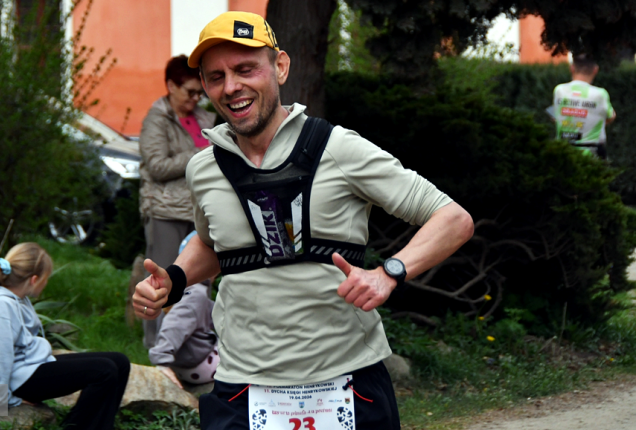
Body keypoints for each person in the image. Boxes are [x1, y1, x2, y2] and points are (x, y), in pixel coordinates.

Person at [132, 11, 474, 430]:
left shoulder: (338, 148)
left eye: (245, 69)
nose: (232, 86)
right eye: (216, 76)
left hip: (347, 381)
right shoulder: (204, 168)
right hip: (242, 388)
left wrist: (388, 274)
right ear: (205, 85)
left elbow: (453, 218)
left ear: (280, 66)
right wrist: (177, 278)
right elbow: (214, 244)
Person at [0, 243, 130, 430]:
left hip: (33, 367)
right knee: (103, 371)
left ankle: (92, 425)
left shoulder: (17, 299)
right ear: (34, 279)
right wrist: (6, 399)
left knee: (119, 362)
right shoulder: (1, 306)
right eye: (45, 278)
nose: (46, 283)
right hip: (23, 380)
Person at [139, 54, 216, 349]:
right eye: (190, 91)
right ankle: (155, 350)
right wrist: (201, 154)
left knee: (198, 282)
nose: (196, 98)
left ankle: (191, 348)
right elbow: (157, 166)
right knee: (160, 282)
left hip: (200, 212)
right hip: (165, 212)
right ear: (171, 85)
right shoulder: (156, 119)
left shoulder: (203, 117)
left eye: (200, 92)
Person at [149, 231, 219, 389]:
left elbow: (217, 315)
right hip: (199, 365)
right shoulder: (195, 294)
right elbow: (175, 323)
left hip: (187, 362)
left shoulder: (184, 289)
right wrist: (161, 360)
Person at [552, 53, 616, 159]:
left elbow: (555, 117)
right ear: (595, 70)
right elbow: (611, 116)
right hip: (592, 153)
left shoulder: (559, 90)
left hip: (563, 151)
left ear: (572, 68)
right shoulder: (600, 94)